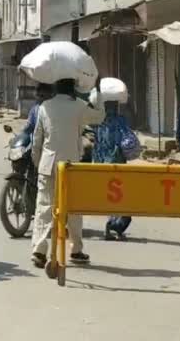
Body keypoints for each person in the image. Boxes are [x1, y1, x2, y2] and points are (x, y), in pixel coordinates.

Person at [30, 78, 105, 268]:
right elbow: (99, 117)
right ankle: (76, 250)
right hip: (71, 165)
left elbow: (37, 140)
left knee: (44, 208)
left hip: (48, 165)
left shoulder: (45, 106)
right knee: (73, 209)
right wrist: (98, 94)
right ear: (73, 88)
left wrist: (38, 164)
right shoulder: (80, 106)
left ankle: (39, 251)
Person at [92, 99, 141, 240]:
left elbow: (96, 143)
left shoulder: (98, 121)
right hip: (118, 162)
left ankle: (113, 224)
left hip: (102, 163)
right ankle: (115, 225)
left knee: (110, 195)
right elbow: (127, 138)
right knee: (120, 195)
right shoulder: (120, 120)